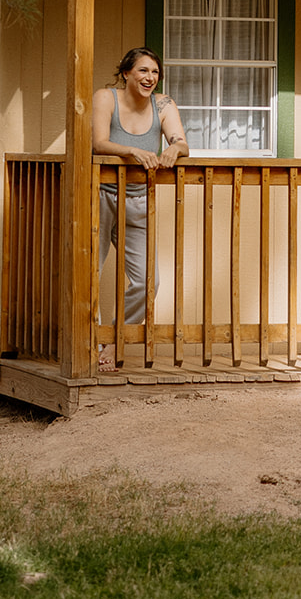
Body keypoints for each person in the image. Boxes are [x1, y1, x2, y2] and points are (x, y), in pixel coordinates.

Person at [93, 47, 189, 369]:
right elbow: (99, 142)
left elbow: (181, 142)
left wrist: (175, 149)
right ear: (126, 73)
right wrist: (133, 151)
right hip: (100, 196)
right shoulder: (107, 98)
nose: (150, 78)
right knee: (88, 274)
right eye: (143, 71)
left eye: (155, 72)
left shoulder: (164, 104)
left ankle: (112, 340)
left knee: (149, 281)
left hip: (138, 201)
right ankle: (89, 342)